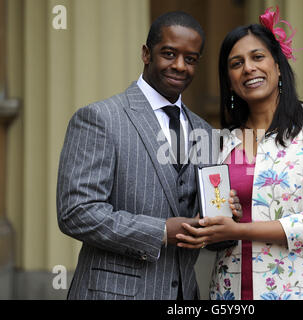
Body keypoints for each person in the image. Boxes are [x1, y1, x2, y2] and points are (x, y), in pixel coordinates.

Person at [56, 11, 241, 300]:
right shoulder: (100, 118)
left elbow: (209, 228)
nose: (180, 66)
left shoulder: (202, 130)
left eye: (190, 59)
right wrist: (161, 231)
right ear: (146, 53)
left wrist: (225, 223)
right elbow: (76, 213)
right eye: (169, 54)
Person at [176, 7, 303, 300]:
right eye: (236, 63)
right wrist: (211, 221)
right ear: (229, 80)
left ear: (278, 66)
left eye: (258, 57)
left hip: (300, 290)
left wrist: (240, 229)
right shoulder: (224, 143)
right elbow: (214, 224)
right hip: (229, 292)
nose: (248, 68)